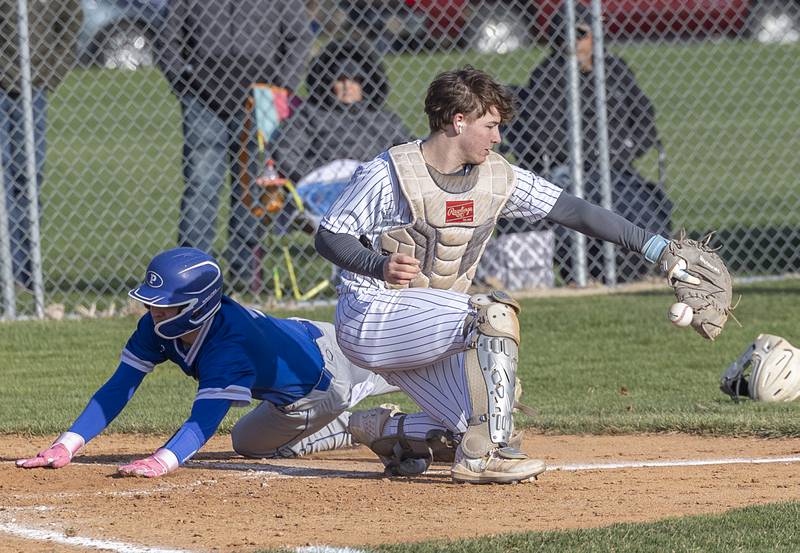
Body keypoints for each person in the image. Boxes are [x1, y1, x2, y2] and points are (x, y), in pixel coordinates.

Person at [314, 66, 693, 484]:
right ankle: (482, 459)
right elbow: (330, 235)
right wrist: (377, 264)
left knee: (495, 409)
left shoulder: (496, 176)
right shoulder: (390, 173)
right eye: (490, 125)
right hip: (371, 314)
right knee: (491, 314)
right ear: (458, 121)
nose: (498, 137)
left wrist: (656, 248)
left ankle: (385, 428)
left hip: (426, 324)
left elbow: (572, 210)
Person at [16, 247, 399, 477]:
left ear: (197, 307)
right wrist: (67, 444)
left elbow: (204, 419)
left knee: (247, 442)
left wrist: (162, 461)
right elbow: (119, 386)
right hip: (310, 338)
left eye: (167, 305)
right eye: (153, 303)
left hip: (322, 385)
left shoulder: (227, 346)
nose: (154, 312)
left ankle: (367, 424)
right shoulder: (158, 327)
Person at [500, 1, 672, 285]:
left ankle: (635, 271)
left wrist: (616, 150)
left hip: (616, 166)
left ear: (595, 34)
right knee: (574, 205)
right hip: (567, 168)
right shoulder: (548, 75)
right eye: (563, 35)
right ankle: (582, 274)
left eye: (579, 33)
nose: (572, 41)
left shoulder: (615, 70)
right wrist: (590, 151)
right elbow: (545, 135)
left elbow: (644, 124)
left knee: (638, 208)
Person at [153, 1, 313, 290]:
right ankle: (191, 272)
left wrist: (281, 85)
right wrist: (183, 80)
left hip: (259, 97)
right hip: (202, 98)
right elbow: (167, 38)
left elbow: (299, 37)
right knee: (201, 184)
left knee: (251, 186)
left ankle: (244, 271)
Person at [1, 0, 81, 290]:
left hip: (33, 88)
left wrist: (52, 70)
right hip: (2, 86)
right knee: (3, 180)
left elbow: (71, 19)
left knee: (28, 177)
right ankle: (5, 271)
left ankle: (24, 270)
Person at [272, 39, 410, 185]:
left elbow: (407, 151)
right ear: (328, 83)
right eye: (340, 80)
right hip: (326, 184)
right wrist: (314, 176)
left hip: (375, 183)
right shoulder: (310, 114)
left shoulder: (383, 118)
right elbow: (286, 151)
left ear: (366, 84)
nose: (347, 87)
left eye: (355, 80)